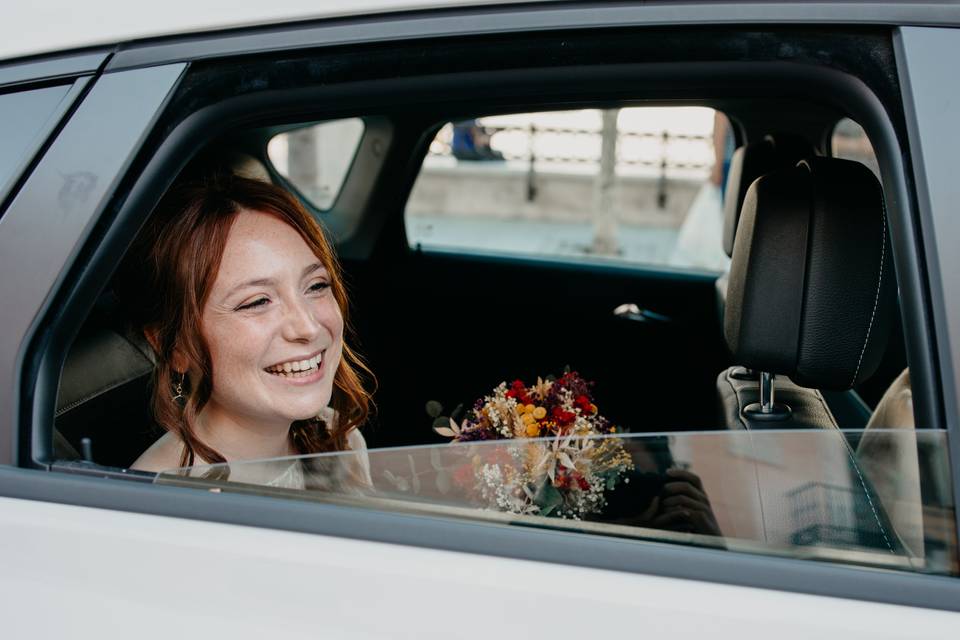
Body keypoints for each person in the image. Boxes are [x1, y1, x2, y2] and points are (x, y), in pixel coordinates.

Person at [119, 171, 375, 488]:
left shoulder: (338, 436)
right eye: (256, 302)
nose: (307, 326)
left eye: (316, 285)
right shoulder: (157, 501)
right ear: (175, 348)